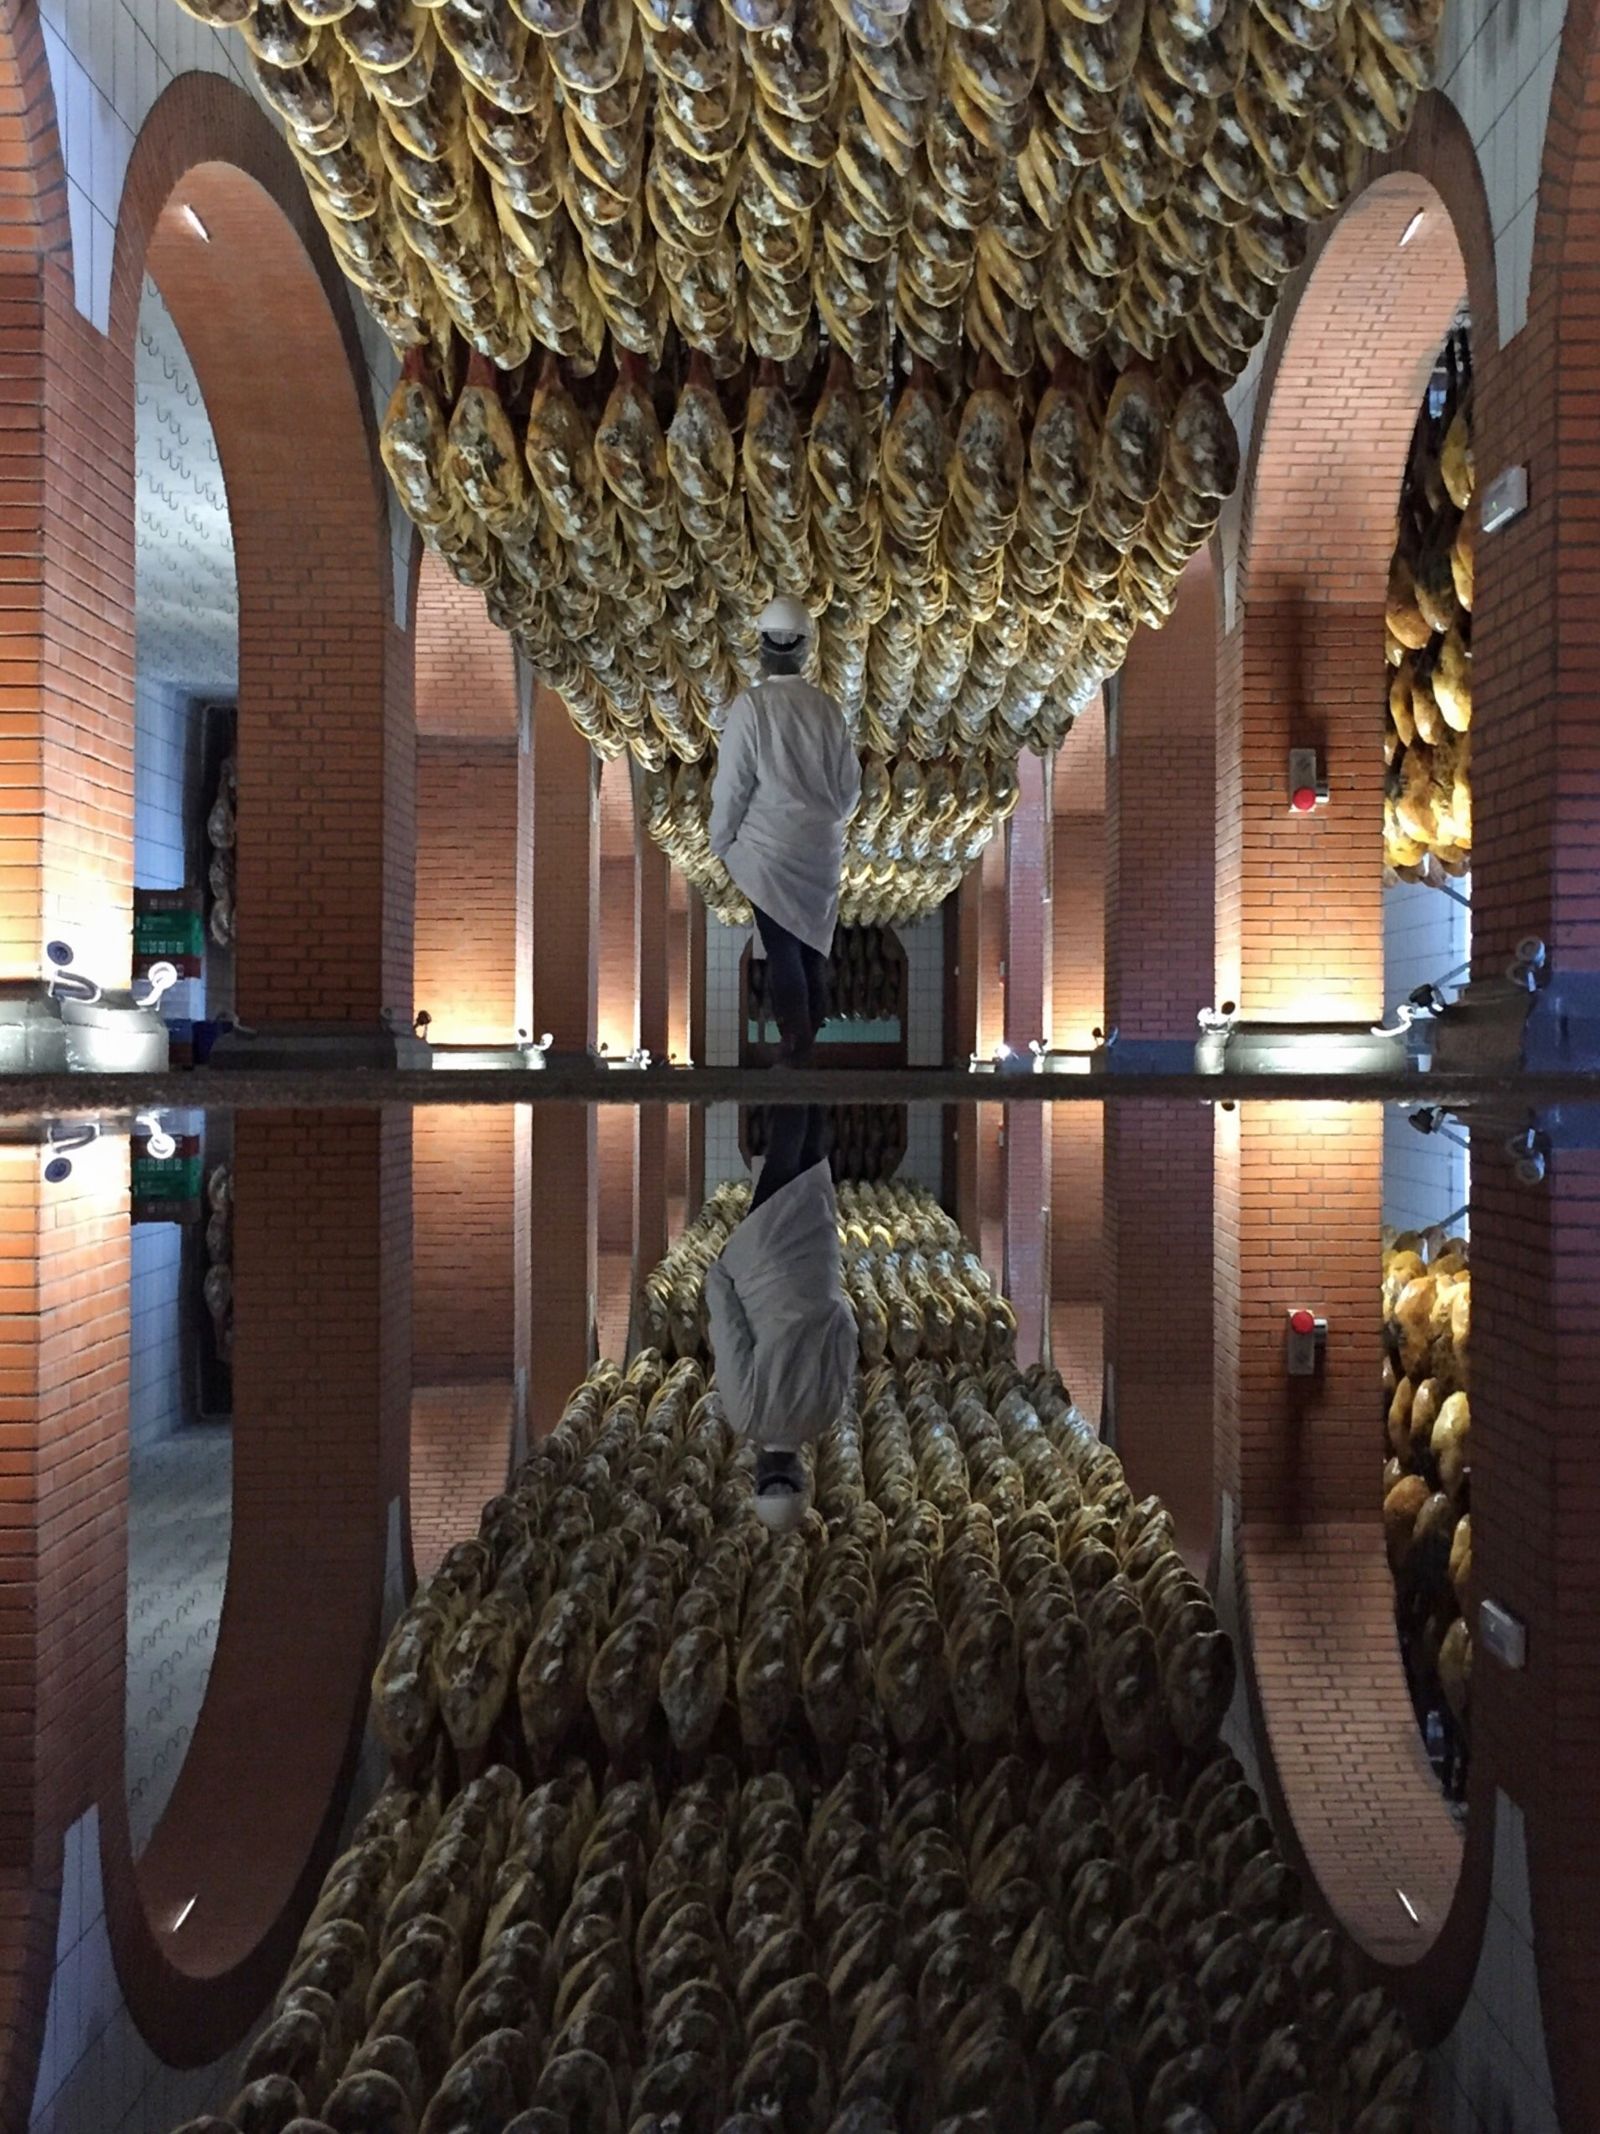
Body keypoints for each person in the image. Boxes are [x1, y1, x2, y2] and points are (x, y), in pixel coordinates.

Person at [708, 595, 860, 1065]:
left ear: (761, 649)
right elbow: (851, 787)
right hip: (819, 850)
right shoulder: (827, 709)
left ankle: (797, 1042)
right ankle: (807, 1038)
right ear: (806, 650)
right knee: (811, 944)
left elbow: (733, 783)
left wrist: (722, 838)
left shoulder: (752, 708)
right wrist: (828, 821)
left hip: (769, 850)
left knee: (780, 946)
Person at [704, 1104, 857, 1530]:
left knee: (811, 1157)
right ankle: (795, 1056)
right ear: (758, 1474)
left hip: (817, 1267)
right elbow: (730, 1332)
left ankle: (814, 1069)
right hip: (765, 1263)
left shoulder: (825, 1415)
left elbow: (846, 1332)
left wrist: (824, 1297)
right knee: (783, 1154)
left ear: (802, 1474)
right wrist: (718, 1278)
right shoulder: (747, 1415)